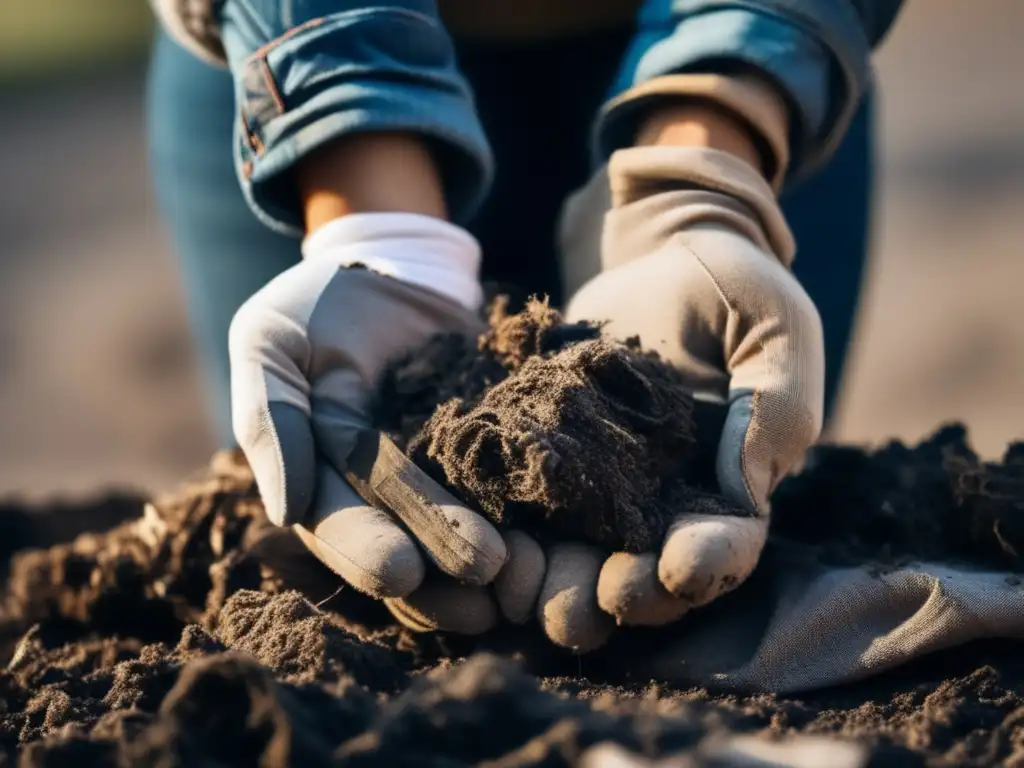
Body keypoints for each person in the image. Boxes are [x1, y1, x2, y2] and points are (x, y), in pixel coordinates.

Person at [148, 0, 904, 650]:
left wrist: (697, 186)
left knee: (724, 546)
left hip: (741, 74)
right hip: (295, 65)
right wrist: (373, 231)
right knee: (331, 581)